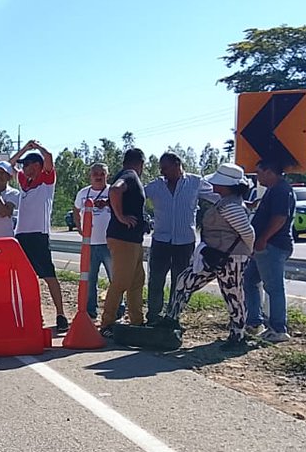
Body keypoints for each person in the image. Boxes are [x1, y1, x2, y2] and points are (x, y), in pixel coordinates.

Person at [160, 164, 256, 350]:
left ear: (227, 185)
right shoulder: (227, 201)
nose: (214, 184)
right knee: (184, 282)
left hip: (230, 257)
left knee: (233, 294)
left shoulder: (232, 206)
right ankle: (171, 320)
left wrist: (248, 252)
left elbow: (248, 233)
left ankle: (238, 335)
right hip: (215, 255)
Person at [143, 153, 214, 324]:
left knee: (180, 281)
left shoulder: (195, 182)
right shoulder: (155, 186)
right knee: (156, 279)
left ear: (177, 164)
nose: (162, 171)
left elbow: (218, 196)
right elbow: (137, 198)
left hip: (184, 242)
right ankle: (153, 316)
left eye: (165, 167)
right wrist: (142, 217)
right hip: (161, 241)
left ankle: (173, 316)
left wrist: (242, 203)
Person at [10, 141, 67, 331]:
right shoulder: (24, 182)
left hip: (38, 234)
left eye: (27, 164)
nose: (24, 168)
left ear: (36, 166)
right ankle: (34, 314)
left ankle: (60, 314)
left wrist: (38, 148)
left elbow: (49, 158)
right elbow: (9, 165)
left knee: (48, 275)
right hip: (21, 235)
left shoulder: (46, 179)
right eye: (24, 165)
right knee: (26, 277)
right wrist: (25, 150)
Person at [245, 157, 297, 343]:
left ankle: (277, 328)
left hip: (272, 245)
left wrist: (263, 239)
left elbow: (280, 219)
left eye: (259, 172)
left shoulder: (281, 191)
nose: (257, 176)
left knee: (274, 287)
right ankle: (253, 321)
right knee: (249, 280)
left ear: (269, 172)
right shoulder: (273, 190)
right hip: (265, 246)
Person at [101, 148, 148, 334]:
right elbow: (114, 190)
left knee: (137, 281)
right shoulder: (129, 176)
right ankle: (107, 324)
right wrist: (121, 217)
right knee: (121, 282)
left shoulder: (128, 175)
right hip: (123, 238)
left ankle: (137, 321)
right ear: (141, 163)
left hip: (133, 239)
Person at [72, 163, 118, 322]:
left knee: (115, 279)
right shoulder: (83, 193)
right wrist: (79, 227)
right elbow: (76, 209)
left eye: (102, 174)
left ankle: (117, 312)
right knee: (90, 280)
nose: (98, 177)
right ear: (90, 176)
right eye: (95, 174)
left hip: (109, 243)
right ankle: (91, 312)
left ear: (107, 175)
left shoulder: (113, 191)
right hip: (89, 245)